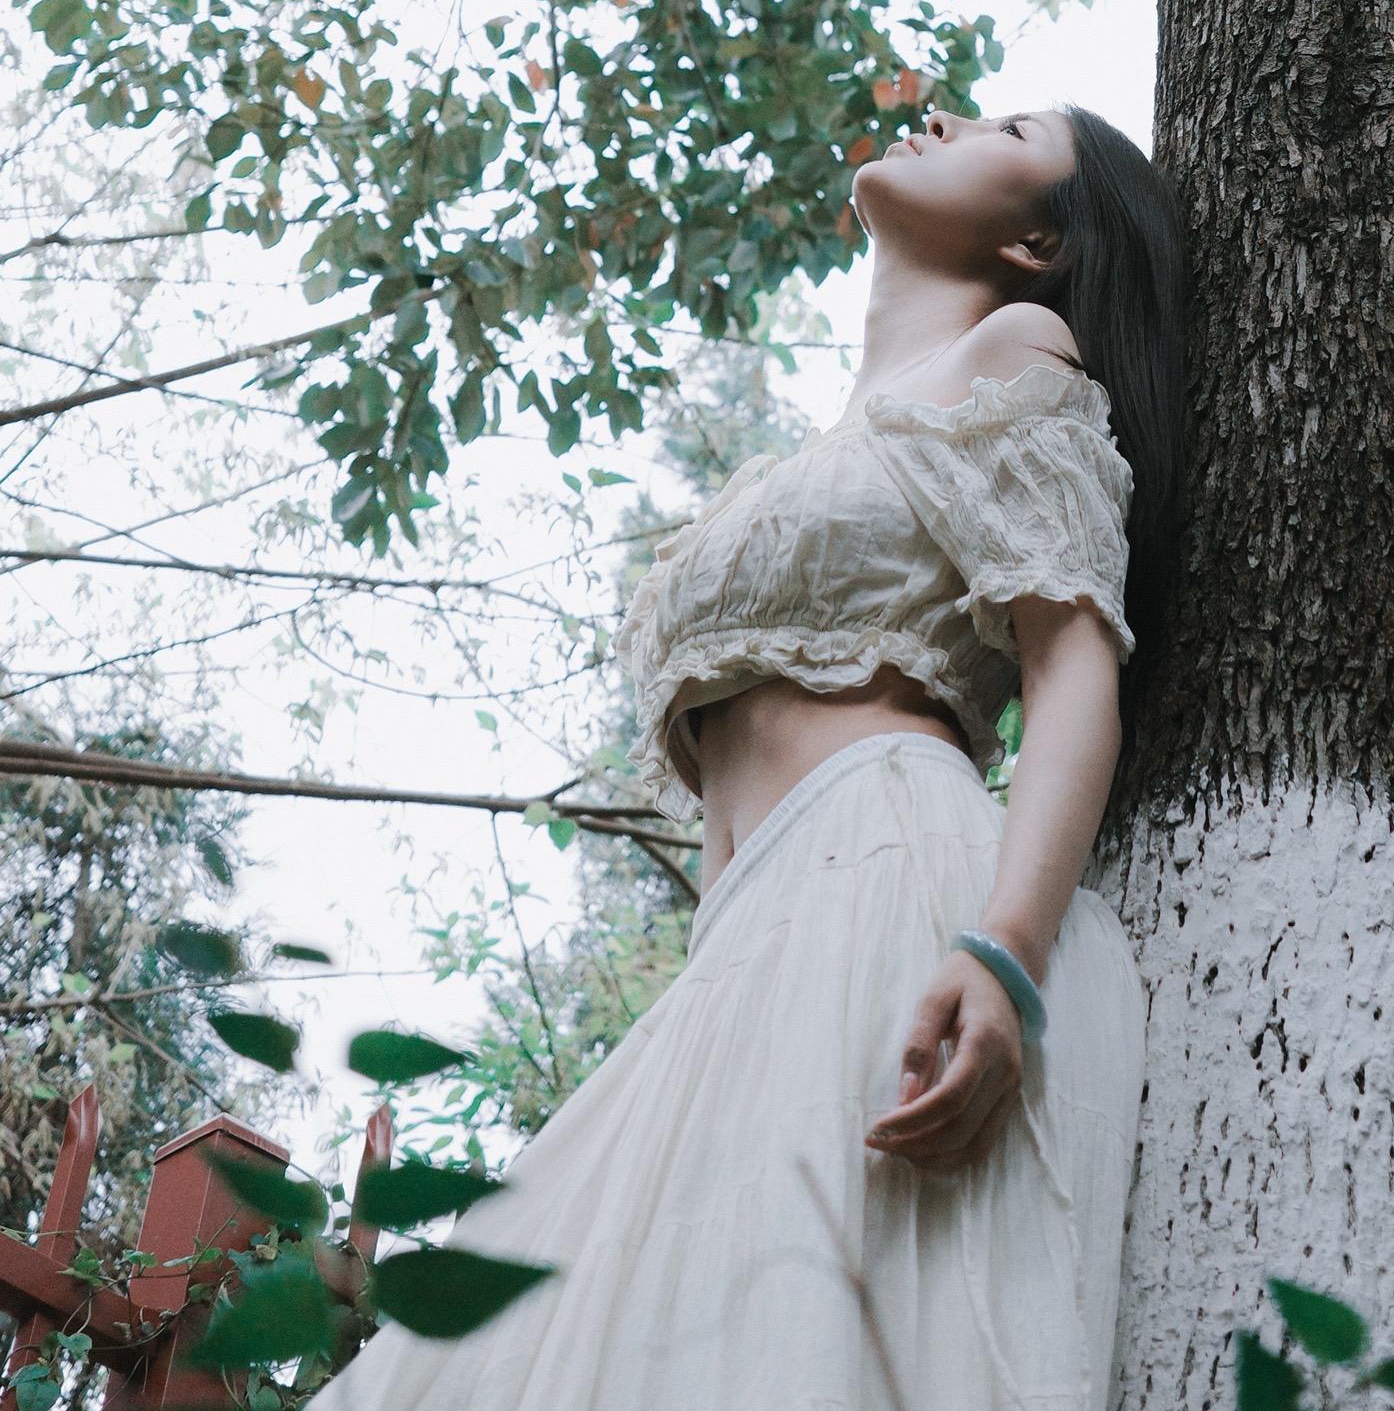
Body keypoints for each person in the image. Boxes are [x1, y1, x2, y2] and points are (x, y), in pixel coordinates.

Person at [329, 100, 1185, 1411]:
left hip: (892, 887)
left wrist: (1006, 951)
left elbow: (1073, 667)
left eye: (1006, 129)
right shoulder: (847, 439)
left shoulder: (1015, 348)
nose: (943, 113)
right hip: (750, 942)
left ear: (1035, 245)